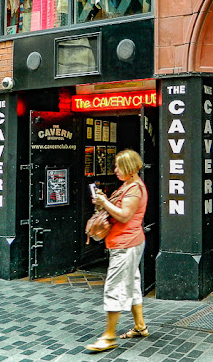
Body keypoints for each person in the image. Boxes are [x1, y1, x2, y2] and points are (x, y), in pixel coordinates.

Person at [85, 149, 149, 352]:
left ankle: (109, 336)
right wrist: (102, 203)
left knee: (115, 287)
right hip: (124, 243)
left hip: (126, 244)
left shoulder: (134, 189)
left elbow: (124, 216)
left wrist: (104, 203)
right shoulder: (128, 186)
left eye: (119, 167)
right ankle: (140, 327)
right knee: (132, 283)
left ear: (130, 168)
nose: (115, 170)